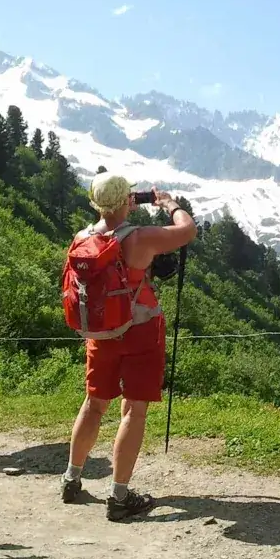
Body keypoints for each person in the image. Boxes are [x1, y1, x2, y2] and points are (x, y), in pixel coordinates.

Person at [61, 174, 196, 521]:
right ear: (126, 200)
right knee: (134, 411)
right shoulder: (139, 238)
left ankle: (72, 478)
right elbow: (187, 230)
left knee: (94, 404)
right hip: (141, 332)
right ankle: (119, 496)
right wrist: (169, 204)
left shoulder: (81, 239)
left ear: (95, 202)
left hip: (101, 334)